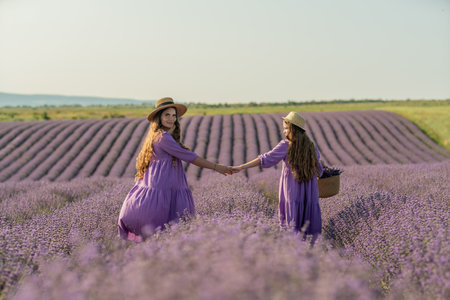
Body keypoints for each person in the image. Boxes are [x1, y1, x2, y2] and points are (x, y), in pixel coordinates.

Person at [118, 97, 231, 242]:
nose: (171, 119)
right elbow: (190, 157)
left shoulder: (156, 135)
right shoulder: (163, 137)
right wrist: (217, 167)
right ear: (159, 117)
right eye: (167, 115)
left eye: (174, 115)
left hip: (165, 188)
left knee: (163, 234)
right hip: (163, 190)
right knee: (170, 230)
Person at [232, 112, 323, 239]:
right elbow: (319, 170)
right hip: (309, 193)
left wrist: (241, 167)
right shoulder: (312, 147)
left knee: (292, 226)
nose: (284, 132)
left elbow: (264, 159)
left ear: (293, 129)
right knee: (309, 231)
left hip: (292, 192)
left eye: (286, 128)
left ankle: (294, 250)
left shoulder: (285, 146)